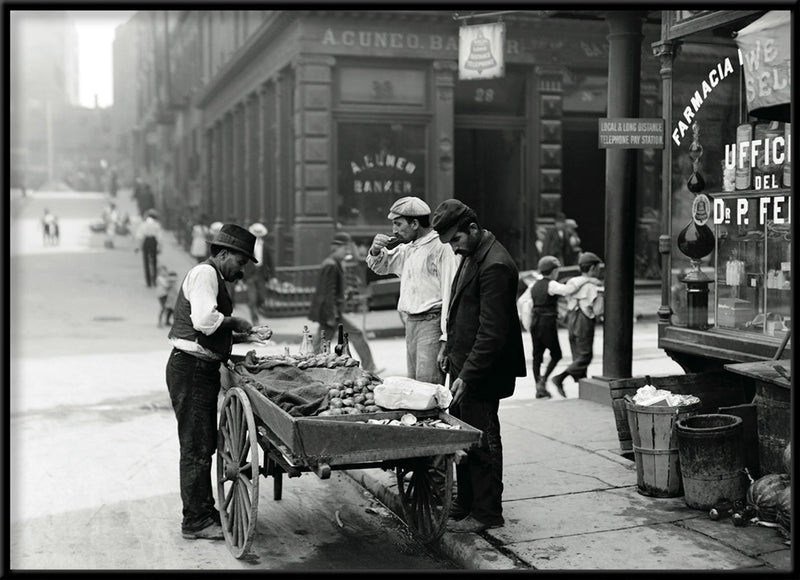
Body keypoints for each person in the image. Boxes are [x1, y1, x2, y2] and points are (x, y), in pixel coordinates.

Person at [431, 199, 526, 534]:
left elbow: (491, 332)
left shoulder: (495, 264)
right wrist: (448, 347)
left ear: (472, 228)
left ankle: (487, 512)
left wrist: (468, 375)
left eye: (456, 240)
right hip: (465, 364)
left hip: (483, 371)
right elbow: (462, 310)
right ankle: (465, 502)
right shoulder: (473, 254)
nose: (454, 248)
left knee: (484, 439)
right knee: (464, 436)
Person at [165, 223, 257, 541]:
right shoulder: (205, 274)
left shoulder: (213, 276)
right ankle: (195, 520)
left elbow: (211, 332)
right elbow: (204, 322)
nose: (241, 271)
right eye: (240, 262)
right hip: (190, 369)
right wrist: (237, 323)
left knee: (203, 444)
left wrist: (234, 348)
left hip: (199, 368)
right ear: (223, 253)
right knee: (196, 447)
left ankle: (203, 510)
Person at [366, 196, 460, 384]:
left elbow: (451, 294)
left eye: (398, 224)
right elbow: (381, 266)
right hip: (412, 324)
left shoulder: (441, 248)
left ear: (415, 223)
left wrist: (446, 337)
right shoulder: (409, 248)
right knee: (415, 386)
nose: (394, 230)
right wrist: (375, 250)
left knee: (428, 387)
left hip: (432, 323)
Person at [529, 255, 600, 399]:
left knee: (537, 355)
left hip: (534, 322)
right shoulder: (552, 284)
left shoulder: (533, 285)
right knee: (557, 354)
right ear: (554, 271)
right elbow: (567, 290)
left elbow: (524, 303)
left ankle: (539, 386)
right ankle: (548, 379)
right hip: (547, 323)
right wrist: (588, 280)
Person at [308, 232, 379, 372]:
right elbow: (328, 292)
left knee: (322, 341)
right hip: (331, 312)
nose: (346, 252)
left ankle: (310, 366)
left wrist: (345, 296)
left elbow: (332, 291)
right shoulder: (331, 265)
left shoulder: (335, 263)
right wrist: (332, 314)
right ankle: (369, 367)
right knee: (328, 340)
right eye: (344, 249)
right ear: (335, 248)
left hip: (332, 311)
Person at [551, 252, 604, 394]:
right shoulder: (592, 287)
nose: (599, 271)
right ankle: (560, 378)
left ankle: (582, 388)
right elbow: (598, 310)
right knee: (585, 356)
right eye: (598, 268)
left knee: (577, 355)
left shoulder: (572, 282)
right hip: (584, 321)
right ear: (592, 268)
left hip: (571, 320)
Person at [242, 221, 276, 325]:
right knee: (252, 299)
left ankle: (254, 307)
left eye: (259, 233)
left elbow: (270, 261)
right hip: (250, 275)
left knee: (262, 298)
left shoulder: (265, 246)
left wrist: (273, 276)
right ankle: (255, 319)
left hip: (261, 274)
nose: (257, 235)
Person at [135, 209, 163, 287]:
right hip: (153, 241)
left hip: (146, 241)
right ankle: (154, 280)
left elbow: (139, 235)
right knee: (154, 261)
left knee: (146, 262)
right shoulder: (156, 224)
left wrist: (138, 246)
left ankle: (148, 282)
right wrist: (159, 247)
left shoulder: (143, 224)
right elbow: (159, 237)